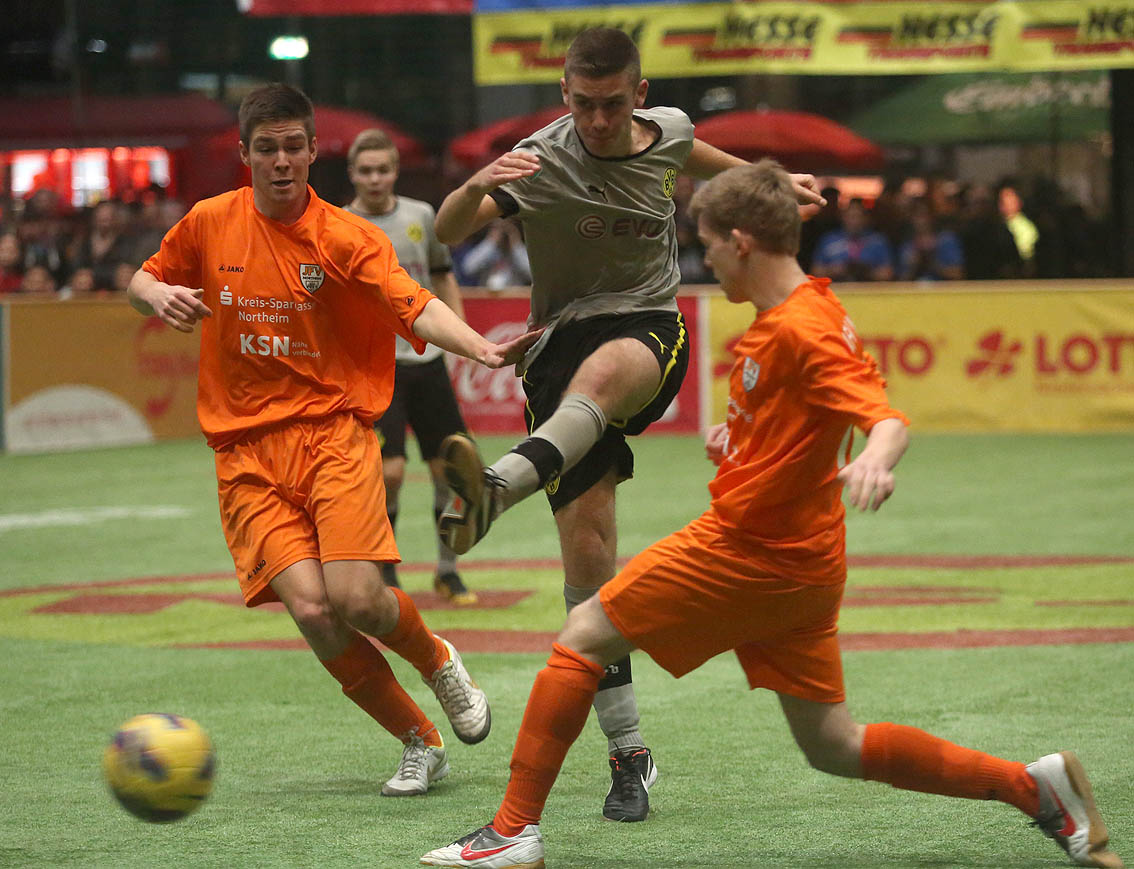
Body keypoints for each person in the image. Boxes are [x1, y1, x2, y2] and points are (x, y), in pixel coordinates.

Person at [420, 160, 1124, 869]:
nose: (705, 259)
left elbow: (884, 418)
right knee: (834, 744)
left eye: (708, 245)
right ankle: (1034, 789)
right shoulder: (800, 310)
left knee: (581, 634)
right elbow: (814, 413)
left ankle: (513, 831)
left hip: (748, 549)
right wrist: (741, 441)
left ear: (742, 242)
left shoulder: (804, 329)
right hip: (805, 562)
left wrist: (878, 455)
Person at [432, 26, 824, 823]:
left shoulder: (671, 132)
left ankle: (497, 488)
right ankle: (630, 751)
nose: (599, 120)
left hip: (649, 326)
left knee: (608, 371)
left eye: (613, 105)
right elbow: (446, 231)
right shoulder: (538, 159)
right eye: (583, 104)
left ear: (640, 96)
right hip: (554, 349)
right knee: (590, 570)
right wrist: (479, 180)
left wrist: (782, 186)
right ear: (565, 94)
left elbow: (720, 166)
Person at [127, 83, 540, 798]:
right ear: (245, 154)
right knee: (314, 611)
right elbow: (142, 276)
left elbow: (415, 304)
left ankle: (437, 657)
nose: (282, 161)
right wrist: (155, 293)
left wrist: (481, 346)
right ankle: (419, 739)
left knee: (359, 599)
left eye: (294, 146)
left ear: (315, 150)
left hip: (334, 434)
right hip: (245, 454)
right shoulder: (208, 222)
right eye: (267, 149)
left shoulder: (346, 237)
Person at [344, 128, 477, 605]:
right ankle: (385, 567)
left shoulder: (421, 216)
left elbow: (443, 276)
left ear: (396, 172)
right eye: (365, 170)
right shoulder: (339, 225)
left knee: (449, 469)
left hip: (430, 361)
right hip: (378, 366)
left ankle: (447, 570)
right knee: (391, 471)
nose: (375, 178)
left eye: (383, 169)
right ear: (352, 174)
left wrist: (460, 336)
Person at [811, 197, 895, 282]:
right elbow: (816, 272)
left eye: (858, 216)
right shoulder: (829, 240)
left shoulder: (878, 241)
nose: (854, 221)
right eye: (851, 216)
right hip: (836, 288)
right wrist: (835, 270)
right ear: (843, 217)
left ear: (866, 218)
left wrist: (866, 271)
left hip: (869, 289)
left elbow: (888, 273)